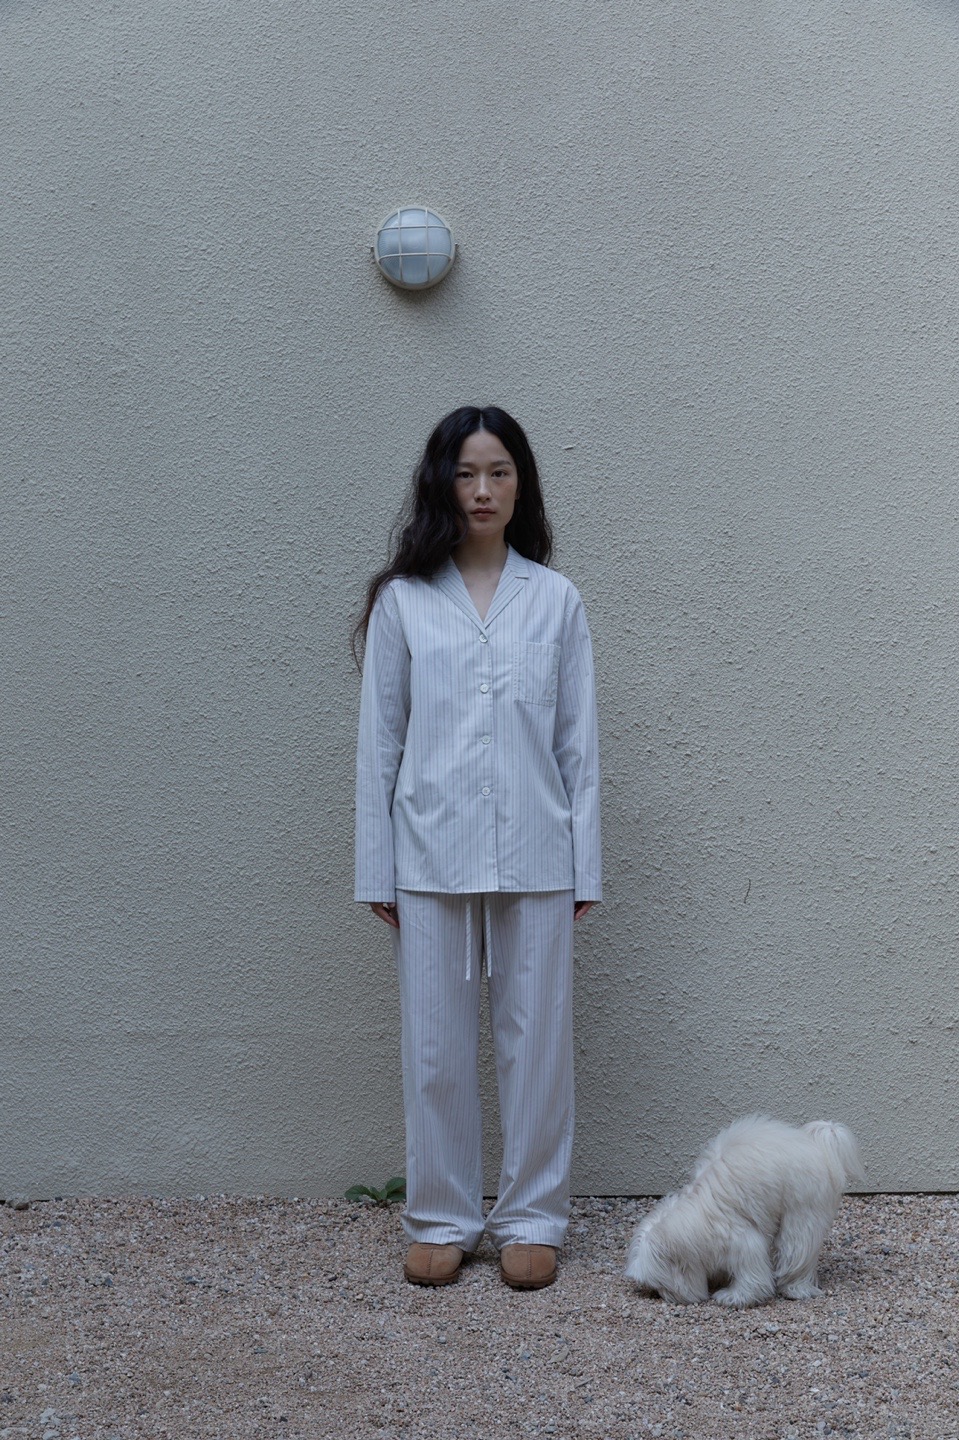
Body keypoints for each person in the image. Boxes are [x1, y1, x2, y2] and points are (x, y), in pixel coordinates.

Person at [354, 405, 601, 1290]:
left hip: (538, 852)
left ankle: (533, 1217)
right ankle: (441, 1217)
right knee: (434, 1048)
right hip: (429, 853)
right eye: (465, 473)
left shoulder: (555, 600)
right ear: (441, 484)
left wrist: (584, 864)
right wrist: (376, 868)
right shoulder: (405, 602)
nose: (482, 490)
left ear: (520, 483)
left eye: (498, 472)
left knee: (537, 1045)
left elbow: (577, 746)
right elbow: (380, 744)